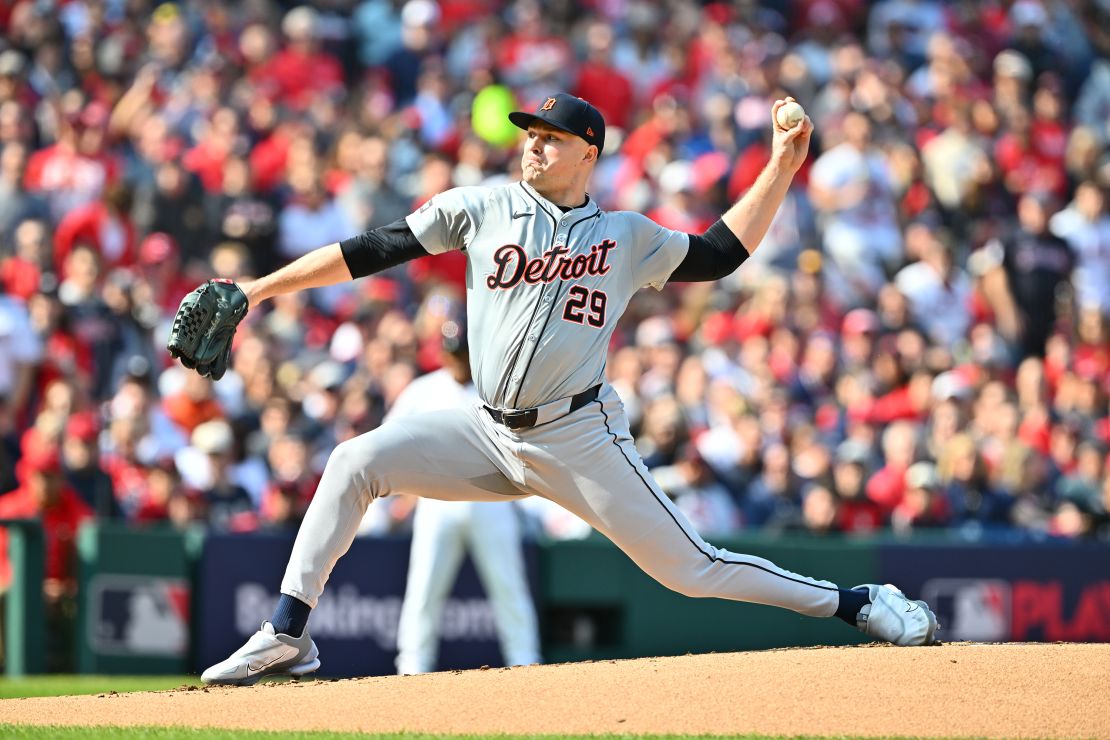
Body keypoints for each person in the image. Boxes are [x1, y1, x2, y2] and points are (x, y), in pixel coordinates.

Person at [195, 94, 939, 686]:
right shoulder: (481, 206)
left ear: (589, 152)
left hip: (578, 436)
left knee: (692, 570)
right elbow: (371, 250)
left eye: (551, 136)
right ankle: (288, 634)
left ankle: (860, 604)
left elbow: (717, 254)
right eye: (530, 132)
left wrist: (780, 165)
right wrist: (258, 289)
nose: (533, 143)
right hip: (486, 431)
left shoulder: (624, 235)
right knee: (355, 460)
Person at [391, 318, 541, 675]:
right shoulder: (422, 390)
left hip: (490, 500)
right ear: (442, 355)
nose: (458, 359)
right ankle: (412, 667)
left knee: (509, 588)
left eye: (464, 352)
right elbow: (389, 441)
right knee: (423, 591)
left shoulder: (499, 390)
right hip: (436, 501)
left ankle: (526, 663)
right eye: (453, 352)